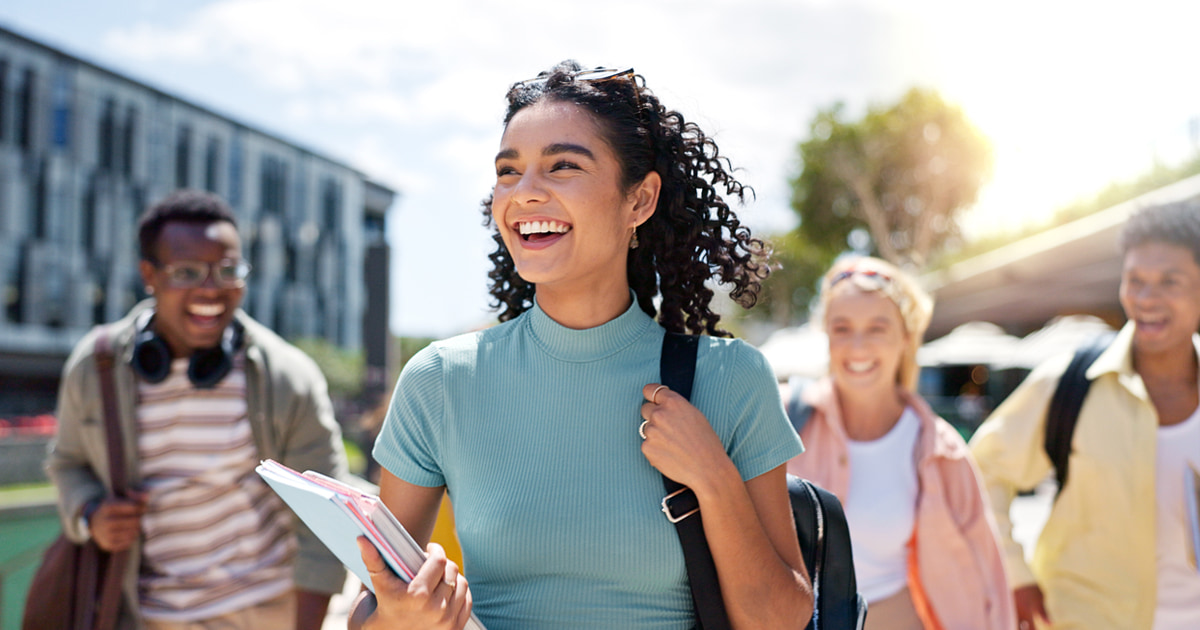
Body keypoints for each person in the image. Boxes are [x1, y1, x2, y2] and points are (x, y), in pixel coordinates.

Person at [349, 62, 813, 630]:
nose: (524, 193)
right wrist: (402, 618)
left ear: (639, 201)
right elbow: (369, 611)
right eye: (508, 171)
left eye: (563, 165)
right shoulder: (440, 380)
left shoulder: (731, 378)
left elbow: (783, 620)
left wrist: (713, 479)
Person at [46, 189, 350, 630]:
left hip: (267, 617)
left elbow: (326, 521)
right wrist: (91, 515)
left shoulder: (290, 376)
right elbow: (67, 463)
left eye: (228, 270)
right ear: (149, 275)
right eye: (187, 272)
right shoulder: (95, 366)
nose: (211, 289)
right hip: (144, 617)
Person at [970, 201, 1200, 630]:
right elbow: (980, 471)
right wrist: (1015, 575)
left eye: (1170, 281)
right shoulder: (1069, 381)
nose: (1147, 299)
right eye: (1135, 281)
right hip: (1084, 619)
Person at [784, 256, 1014, 630]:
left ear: (906, 338)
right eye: (842, 328)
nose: (858, 346)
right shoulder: (781, 421)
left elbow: (988, 573)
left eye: (877, 328)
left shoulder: (940, 449)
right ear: (826, 333)